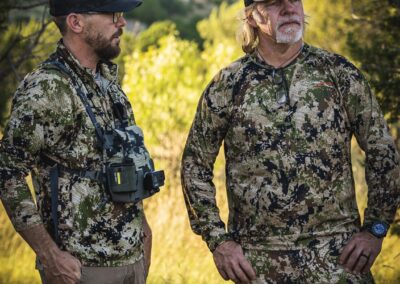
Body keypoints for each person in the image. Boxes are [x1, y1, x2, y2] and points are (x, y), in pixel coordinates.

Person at [181, 0, 400, 283]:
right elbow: (194, 165)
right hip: (257, 264)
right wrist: (218, 241)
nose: (287, 8)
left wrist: (376, 229)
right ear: (251, 17)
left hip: (338, 261)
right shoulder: (228, 84)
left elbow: (383, 152)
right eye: (273, 3)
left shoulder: (339, 73)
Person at [0, 0, 164, 283]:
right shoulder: (48, 88)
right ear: (76, 23)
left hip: (132, 261)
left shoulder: (108, 84)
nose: (122, 23)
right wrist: (49, 255)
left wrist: (144, 231)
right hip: (80, 270)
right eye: (113, 15)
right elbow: (8, 173)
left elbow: (120, 164)